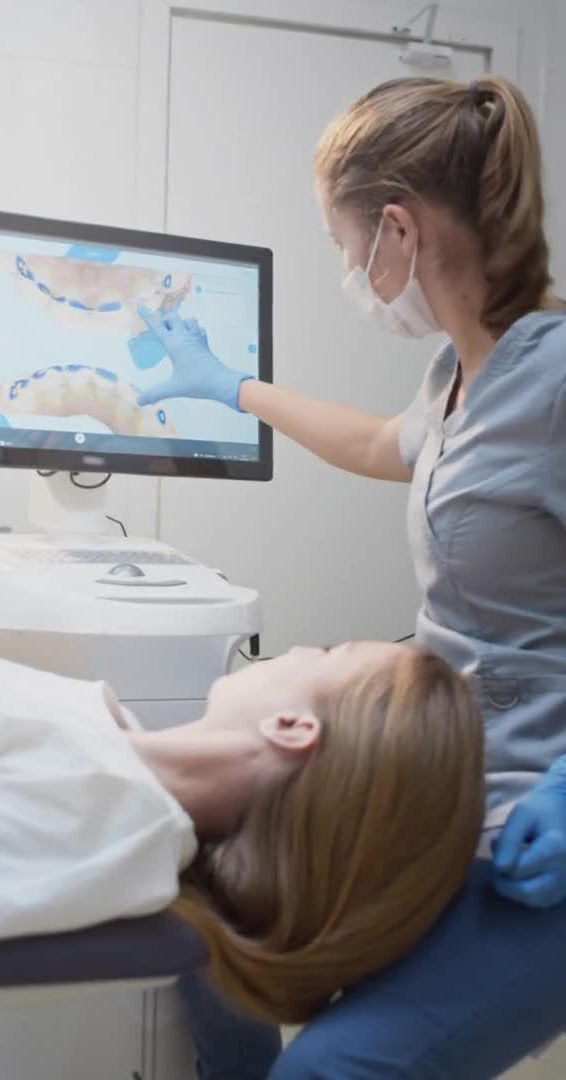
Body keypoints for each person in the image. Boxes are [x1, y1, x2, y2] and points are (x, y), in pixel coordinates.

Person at [139, 75, 566, 1077]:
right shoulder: (461, 372)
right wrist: (226, 385)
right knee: (200, 930)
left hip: (532, 825)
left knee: (332, 1069)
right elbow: (383, 443)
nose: (346, 268)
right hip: (441, 783)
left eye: (341, 247)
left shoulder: (553, 380)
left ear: (395, 232)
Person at [0, 638, 484, 1024]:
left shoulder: (98, 813)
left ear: (292, 725)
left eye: (326, 653)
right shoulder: (111, 747)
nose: (300, 647)